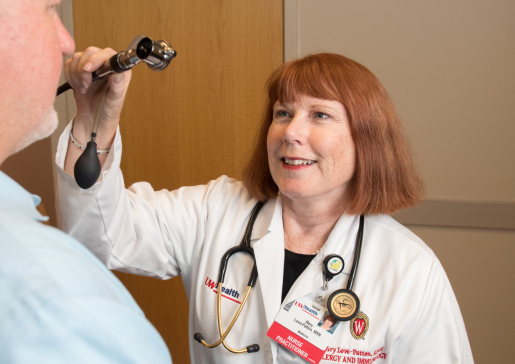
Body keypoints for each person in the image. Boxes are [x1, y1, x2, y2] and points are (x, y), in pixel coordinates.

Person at [57, 51, 474, 363]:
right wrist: (98, 117)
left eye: (320, 116)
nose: (291, 132)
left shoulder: (410, 269)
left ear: (367, 138)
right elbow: (100, 239)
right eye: (283, 112)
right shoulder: (215, 210)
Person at [0, 1, 172, 363]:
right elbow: (101, 239)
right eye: (49, 9)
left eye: (321, 114)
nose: (67, 42)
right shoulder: (59, 306)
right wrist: (91, 126)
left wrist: (94, 122)